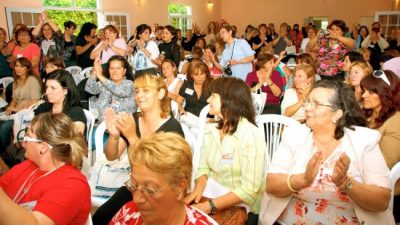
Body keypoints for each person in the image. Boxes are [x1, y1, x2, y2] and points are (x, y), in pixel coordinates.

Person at [260, 80, 395, 225]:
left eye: (316, 104)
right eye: (308, 102)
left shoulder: (363, 140)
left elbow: (381, 200)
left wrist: (346, 183)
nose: (307, 108)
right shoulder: (295, 135)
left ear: (336, 114)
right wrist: (303, 179)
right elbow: (271, 185)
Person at [92, 74, 184, 225]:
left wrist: (132, 137)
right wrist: (114, 137)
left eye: (146, 90)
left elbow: (156, 169)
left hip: (161, 191)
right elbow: (111, 156)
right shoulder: (133, 119)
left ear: (160, 93)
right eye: (137, 91)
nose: (139, 95)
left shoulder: (172, 127)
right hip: (135, 186)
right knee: (101, 218)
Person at [186, 77, 266, 225]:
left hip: (240, 204)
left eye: (213, 96)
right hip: (210, 194)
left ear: (230, 101)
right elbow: (203, 167)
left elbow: (249, 189)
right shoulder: (211, 130)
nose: (208, 99)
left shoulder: (250, 134)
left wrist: (209, 206)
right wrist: (197, 192)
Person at [0, 112, 91, 225]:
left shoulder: (73, 185)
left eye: (28, 136)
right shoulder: (29, 165)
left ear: (43, 148)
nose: (23, 143)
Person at [109, 132, 214, 225]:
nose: (136, 199)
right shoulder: (128, 213)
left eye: (150, 190)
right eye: (133, 185)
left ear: (180, 187)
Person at [360, 70, 400, 223]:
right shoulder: (370, 114)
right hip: (363, 175)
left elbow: (385, 164)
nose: (363, 95)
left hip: (381, 187)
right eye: (364, 91)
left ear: (386, 93)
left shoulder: (396, 121)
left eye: (371, 92)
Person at [0, 57, 41, 153]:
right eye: (17, 66)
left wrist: (16, 108)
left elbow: (35, 100)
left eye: (21, 66)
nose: (18, 68)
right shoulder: (16, 81)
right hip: (16, 111)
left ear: (27, 68)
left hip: (26, 113)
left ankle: (4, 152)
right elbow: (14, 99)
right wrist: (10, 107)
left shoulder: (32, 80)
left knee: (4, 127)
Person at [85, 55, 135, 123]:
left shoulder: (129, 84)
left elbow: (118, 90)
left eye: (118, 68)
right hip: (102, 126)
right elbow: (89, 88)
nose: (115, 71)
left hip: (122, 128)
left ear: (124, 71)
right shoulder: (104, 83)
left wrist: (100, 75)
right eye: (112, 68)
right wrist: (94, 73)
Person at [35, 69, 86, 135]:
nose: (47, 92)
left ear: (65, 90)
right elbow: (33, 130)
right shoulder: (43, 108)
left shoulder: (76, 112)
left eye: (53, 88)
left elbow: (75, 141)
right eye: (47, 87)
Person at [32, 12, 63, 78]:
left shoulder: (57, 40)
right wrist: (41, 22)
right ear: (42, 31)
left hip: (55, 68)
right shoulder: (40, 41)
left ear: (52, 30)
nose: (47, 31)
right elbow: (34, 35)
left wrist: (47, 19)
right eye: (44, 30)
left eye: (49, 29)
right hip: (43, 70)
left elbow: (58, 31)